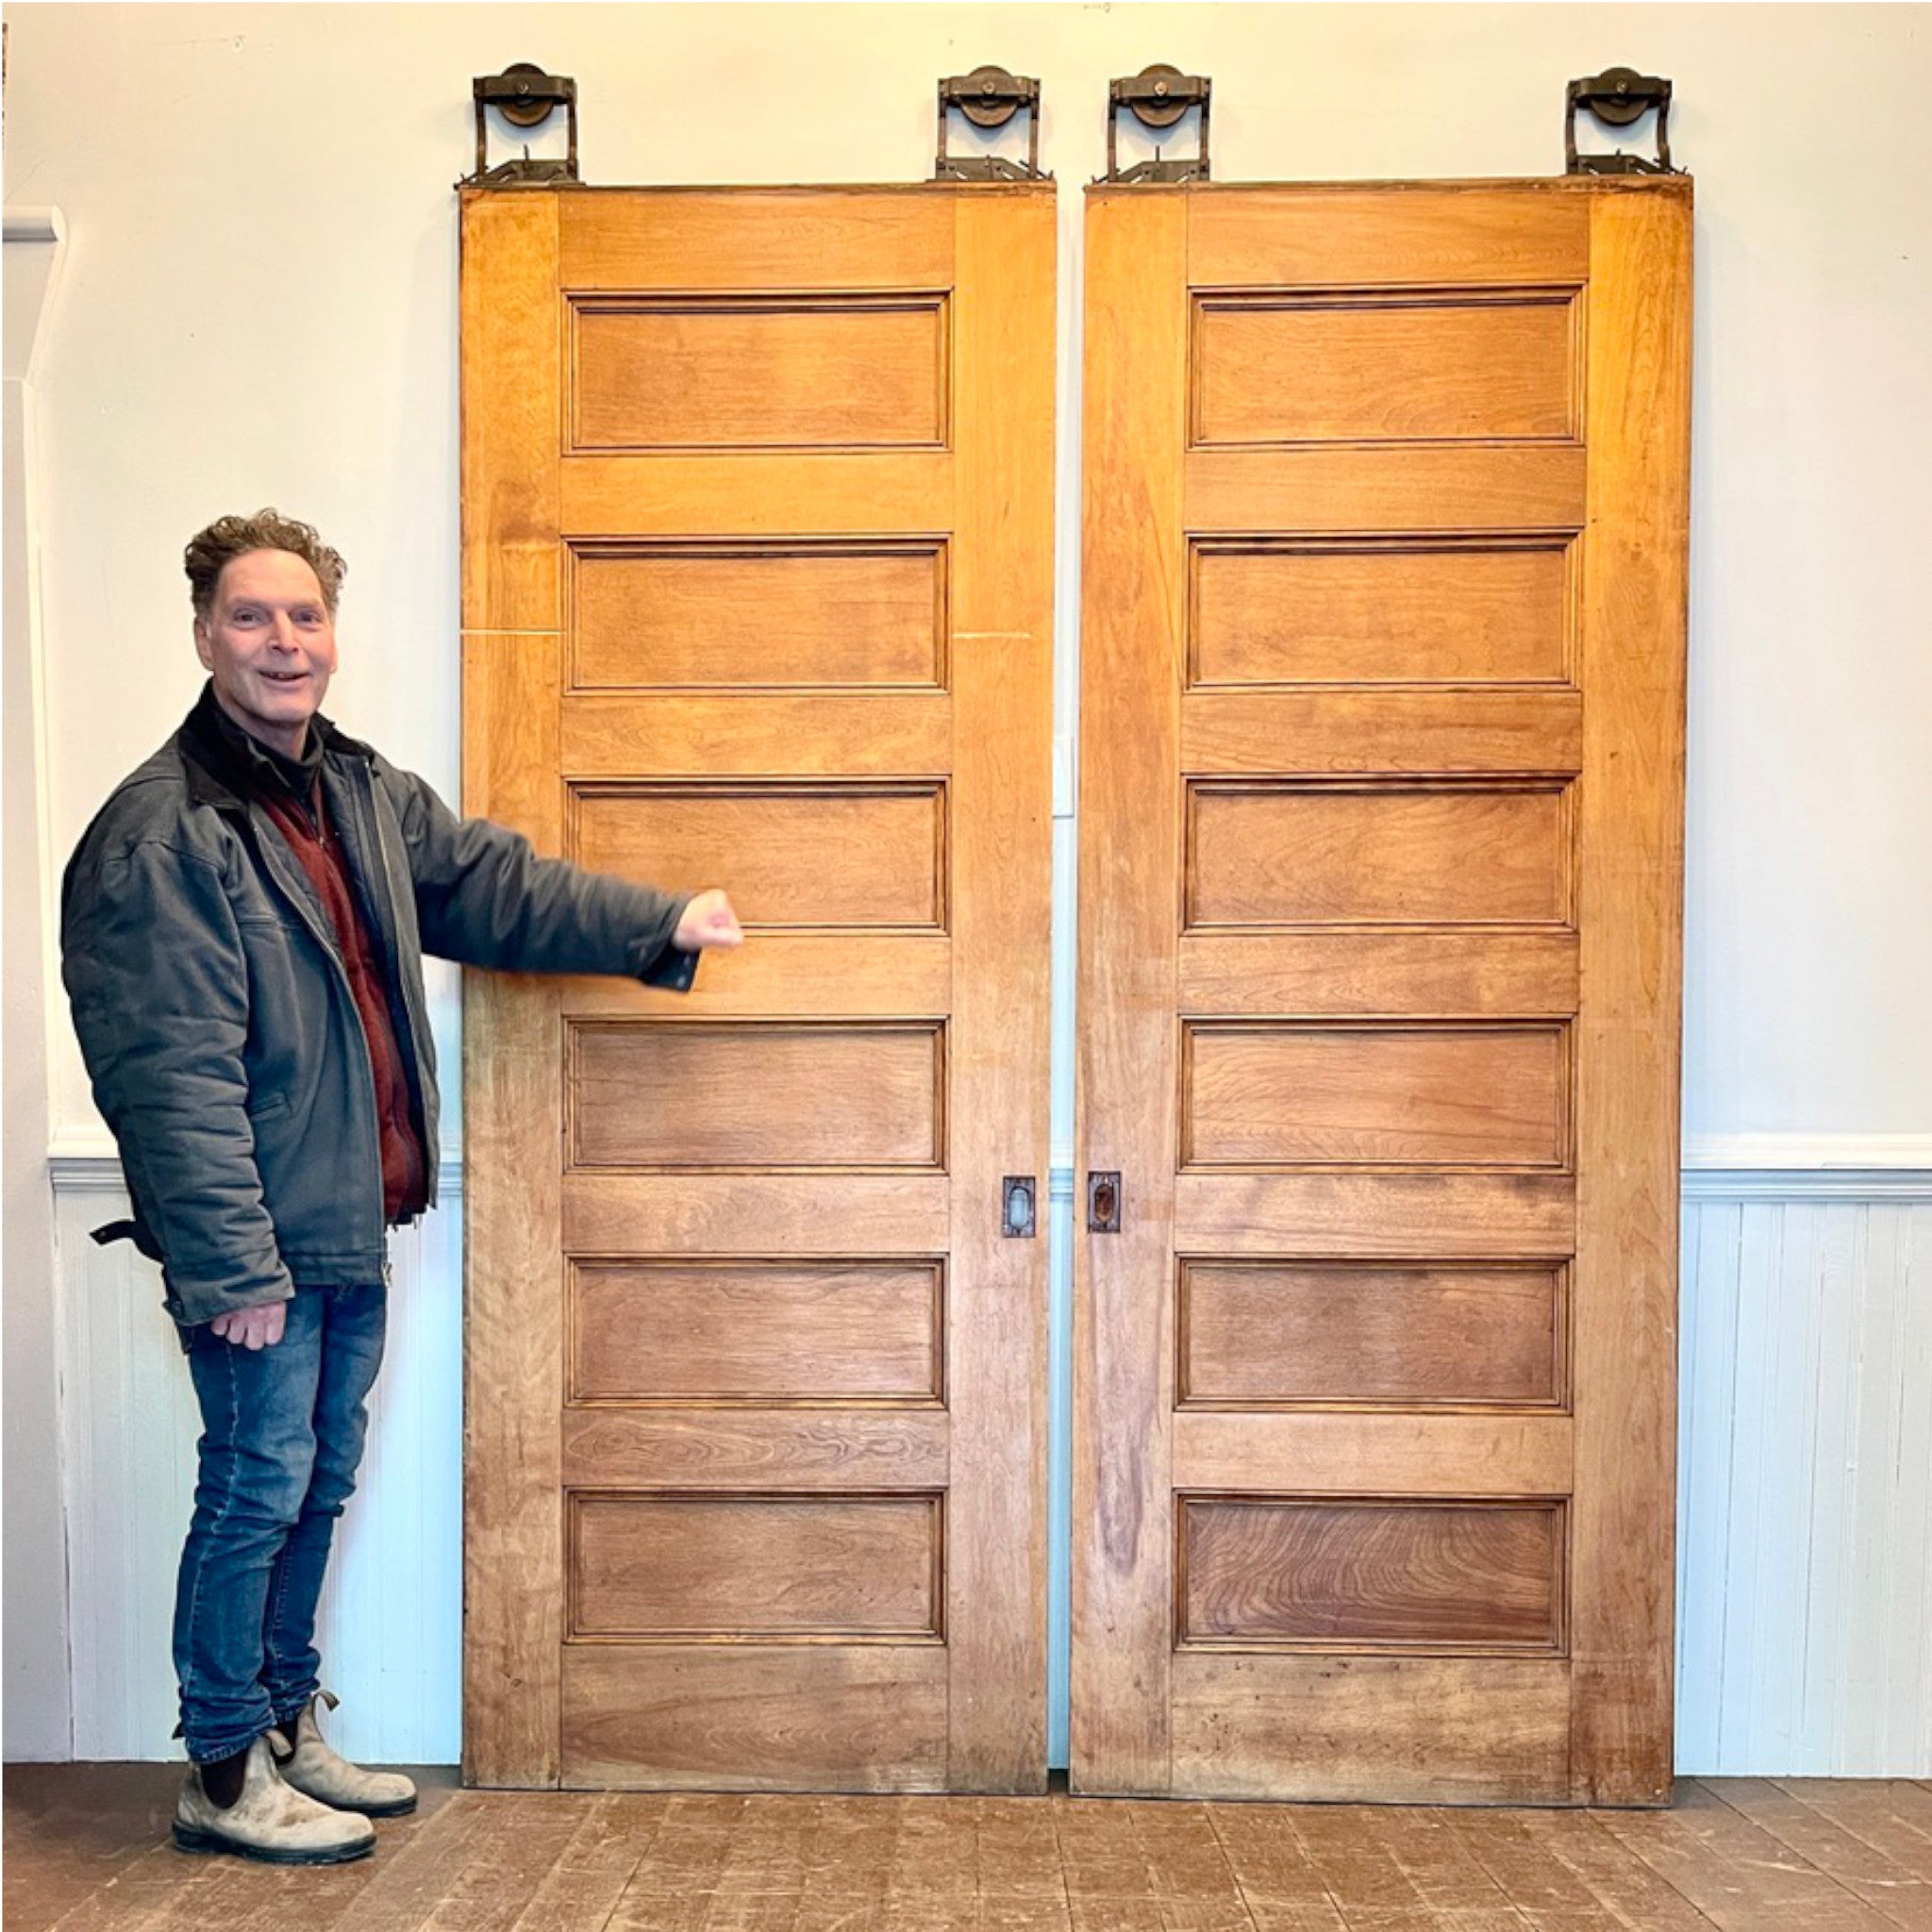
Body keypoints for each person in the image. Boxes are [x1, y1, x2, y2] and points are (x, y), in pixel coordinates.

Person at [60, 509, 742, 1866]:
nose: (283, 641)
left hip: (348, 1219)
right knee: (253, 1491)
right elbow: (168, 1075)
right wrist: (230, 1266)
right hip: (258, 1243)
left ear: (331, 635)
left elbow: (489, 886)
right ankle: (220, 1770)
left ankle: (281, 1727)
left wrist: (655, 922)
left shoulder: (357, 790)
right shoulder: (165, 831)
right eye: (251, 617)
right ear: (203, 637)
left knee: (313, 1485)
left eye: (304, 616)